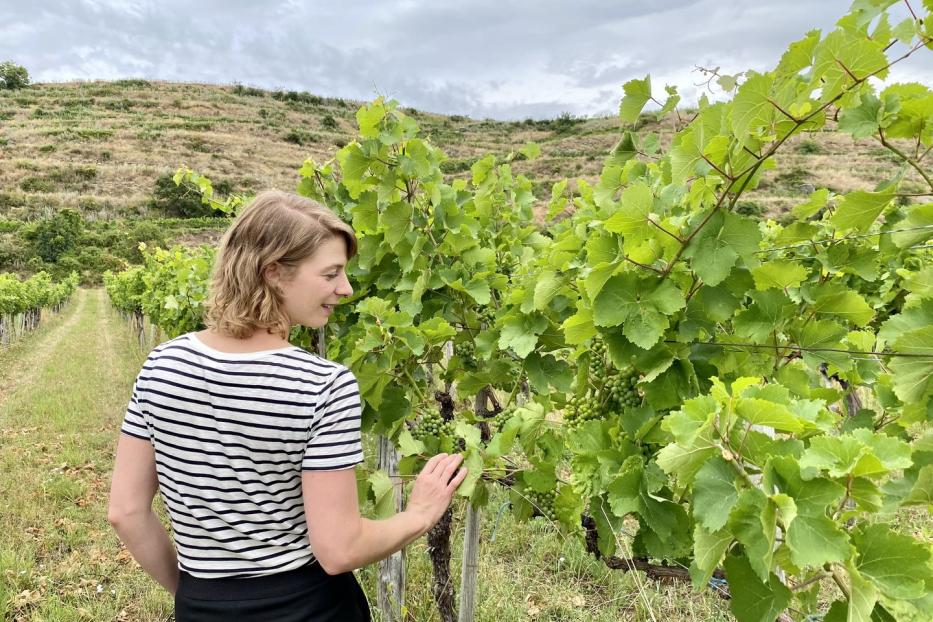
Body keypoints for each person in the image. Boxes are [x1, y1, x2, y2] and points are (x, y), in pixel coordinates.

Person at [108, 190, 468, 621]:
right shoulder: (323, 385)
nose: (346, 289)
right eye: (331, 273)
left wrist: (198, 597)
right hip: (308, 607)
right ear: (275, 273)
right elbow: (338, 550)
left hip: (200, 606)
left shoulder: (161, 365)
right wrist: (421, 514)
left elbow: (126, 512)